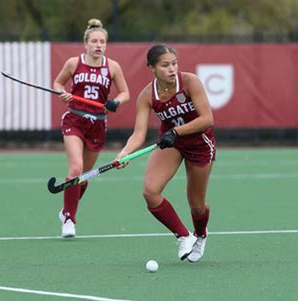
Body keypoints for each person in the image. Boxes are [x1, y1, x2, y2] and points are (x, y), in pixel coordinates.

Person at [114, 44, 215, 262]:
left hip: (199, 143)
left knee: (197, 206)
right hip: (172, 144)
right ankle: (183, 236)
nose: (172, 69)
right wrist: (124, 153)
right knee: (150, 192)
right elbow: (138, 134)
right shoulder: (147, 95)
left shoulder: (190, 82)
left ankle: (200, 235)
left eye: (174, 63)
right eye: (165, 65)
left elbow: (207, 119)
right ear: (151, 67)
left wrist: (176, 131)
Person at [53, 18, 129, 238]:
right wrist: (62, 93)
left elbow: (125, 93)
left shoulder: (112, 66)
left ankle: (66, 209)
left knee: (85, 176)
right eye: (94, 41)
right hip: (74, 120)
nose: (98, 45)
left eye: (102, 42)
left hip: (97, 124)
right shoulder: (73, 63)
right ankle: (69, 219)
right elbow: (58, 83)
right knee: (75, 169)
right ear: (85, 44)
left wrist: (116, 102)